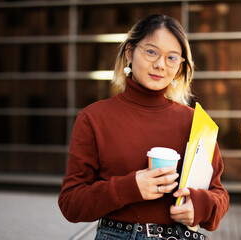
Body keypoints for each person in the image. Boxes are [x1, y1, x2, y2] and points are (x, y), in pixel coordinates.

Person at [58, 14, 229, 240]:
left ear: (180, 66)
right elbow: (71, 203)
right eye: (151, 52)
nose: (160, 64)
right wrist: (129, 188)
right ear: (130, 52)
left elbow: (219, 194)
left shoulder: (196, 123)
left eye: (172, 58)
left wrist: (199, 207)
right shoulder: (94, 118)